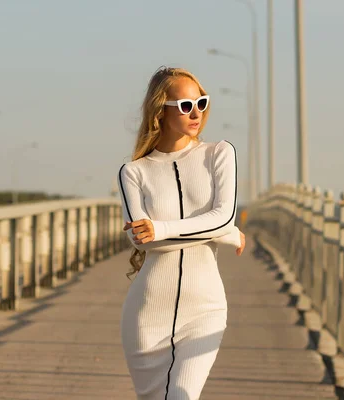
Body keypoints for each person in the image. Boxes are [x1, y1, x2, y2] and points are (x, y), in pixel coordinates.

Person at [116, 66, 246, 400]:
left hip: (204, 309)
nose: (196, 113)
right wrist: (227, 234)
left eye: (201, 103)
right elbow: (139, 239)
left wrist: (162, 229)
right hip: (147, 317)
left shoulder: (219, 154)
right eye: (185, 106)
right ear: (160, 111)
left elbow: (221, 216)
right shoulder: (133, 172)